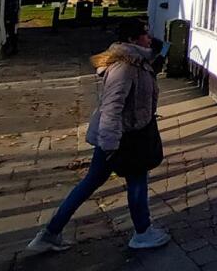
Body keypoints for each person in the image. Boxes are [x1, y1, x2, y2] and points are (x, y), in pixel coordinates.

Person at [28, 18, 170, 253]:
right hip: (122, 136)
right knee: (136, 180)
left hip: (126, 133)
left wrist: (158, 46)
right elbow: (111, 107)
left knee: (92, 182)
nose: (149, 37)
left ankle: (51, 232)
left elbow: (154, 61)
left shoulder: (137, 61)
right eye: (145, 34)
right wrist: (110, 143)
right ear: (133, 40)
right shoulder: (124, 67)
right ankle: (143, 233)